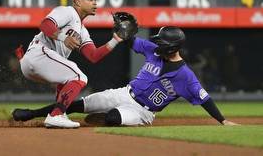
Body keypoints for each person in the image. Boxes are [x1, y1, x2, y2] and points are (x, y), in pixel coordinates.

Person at [12, 26, 239, 126]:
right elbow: (131, 41)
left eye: (162, 42)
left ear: (173, 47)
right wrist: (123, 30)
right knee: (75, 104)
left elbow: (205, 98)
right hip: (124, 93)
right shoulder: (153, 50)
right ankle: (31, 114)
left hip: (142, 112)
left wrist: (223, 120)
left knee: (112, 118)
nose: (156, 44)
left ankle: (106, 116)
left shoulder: (186, 76)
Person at [14, 0, 124, 128]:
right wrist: (62, 37)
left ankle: (58, 113)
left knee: (67, 79)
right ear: (78, 1)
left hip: (35, 63)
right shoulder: (67, 11)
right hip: (38, 54)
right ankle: (56, 115)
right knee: (79, 77)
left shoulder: (82, 31)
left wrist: (115, 41)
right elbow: (45, 24)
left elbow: (93, 55)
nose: (95, 2)